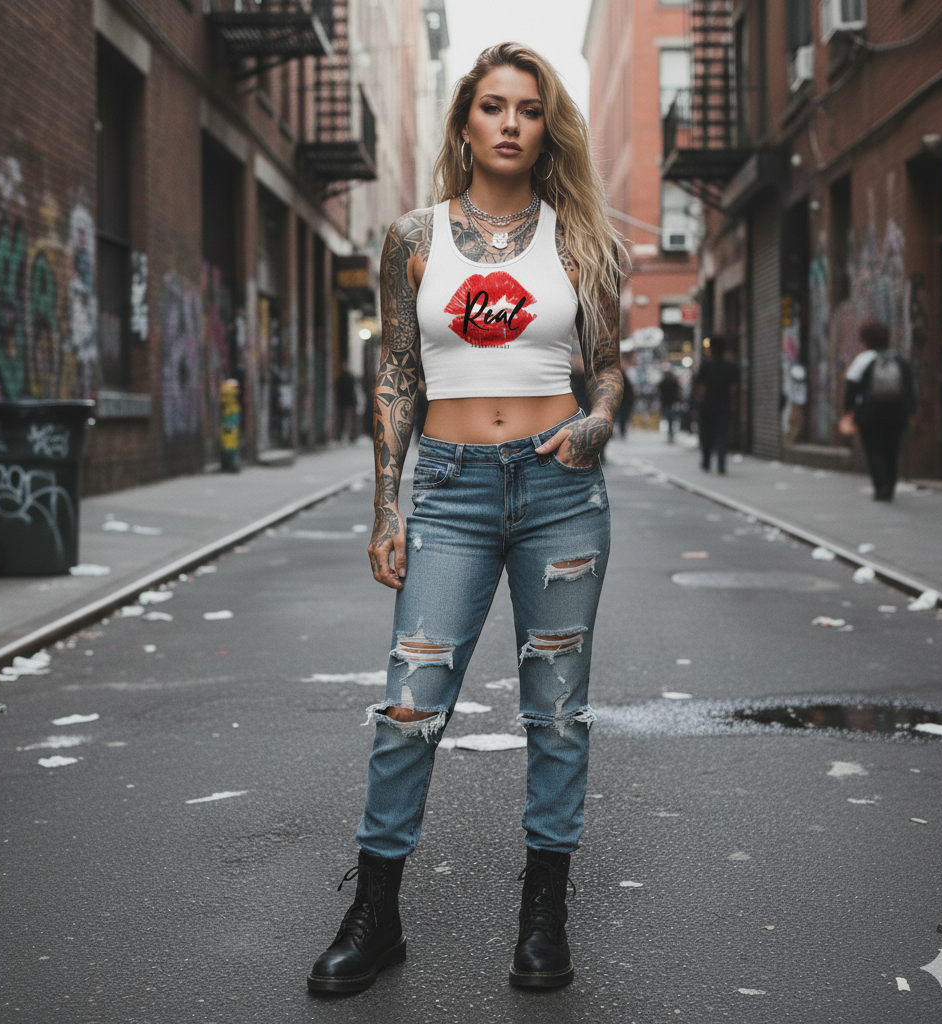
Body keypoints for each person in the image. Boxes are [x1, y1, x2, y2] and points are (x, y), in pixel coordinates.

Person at [307, 43, 624, 995]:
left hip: (560, 488)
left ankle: (543, 916)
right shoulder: (413, 237)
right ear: (466, 123)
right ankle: (376, 914)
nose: (512, 123)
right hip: (448, 490)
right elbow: (398, 372)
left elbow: (605, 367)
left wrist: (600, 421)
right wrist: (384, 508)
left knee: (557, 714)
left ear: (545, 125)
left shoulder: (579, 238)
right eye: (493, 106)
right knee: (410, 706)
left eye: (529, 108)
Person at [843, 320, 916, 501]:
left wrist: (848, 409)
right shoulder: (899, 359)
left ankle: (881, 485)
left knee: (874, 450)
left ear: (865, 340)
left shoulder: (863, 360)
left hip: (870, 414)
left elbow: (851, 388)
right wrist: (911, 409)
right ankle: (890, 486)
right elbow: (909, 387)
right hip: (897, 413)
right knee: (892, 450)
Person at [694, 335, 739, 473]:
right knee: (722, 435)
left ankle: (706, 462)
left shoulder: (706, 365)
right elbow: (734, 388)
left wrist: (697, 403)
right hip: (723, 405)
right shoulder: (730, 366)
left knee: (707, 434)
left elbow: (700, 386)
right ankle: (721, 464)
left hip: (707, 405)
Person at [657, 367, 680, 443]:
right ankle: (670, 433)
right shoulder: (673, 382)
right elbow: (678, 392)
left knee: (668, 418)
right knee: (670, 419)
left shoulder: (663, 382)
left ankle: (670, 433)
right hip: (671, 402)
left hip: (666, 402)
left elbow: (659, 390)